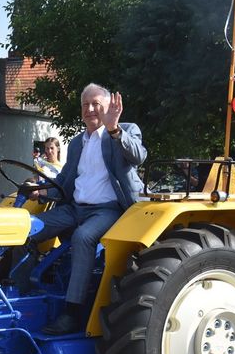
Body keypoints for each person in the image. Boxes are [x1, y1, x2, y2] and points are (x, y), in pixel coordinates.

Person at [30, 83, 147, 334]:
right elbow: (65, 181)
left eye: (96, 104)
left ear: (109, 107)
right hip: (74, 208)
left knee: (83, 237)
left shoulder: (125, 130)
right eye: (86, 105)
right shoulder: (76, 143)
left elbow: (139, 156)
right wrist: (41, 192)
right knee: (27, 227)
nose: (90, 109)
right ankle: (20, 287)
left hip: (108, 209)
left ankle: (72, 312)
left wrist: (114, 128)